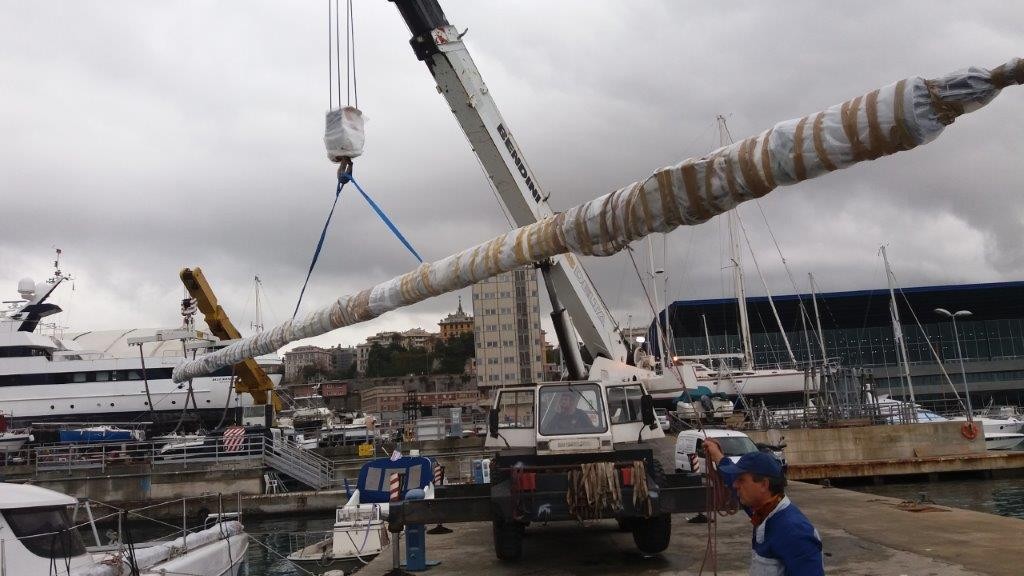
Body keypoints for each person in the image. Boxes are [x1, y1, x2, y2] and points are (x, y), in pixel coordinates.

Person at [704, 440, 824, 576]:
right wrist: (717, 456)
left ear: (763, 485)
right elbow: (732, 480)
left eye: (741, 480)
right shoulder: (763, 511)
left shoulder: (795, 533)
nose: (736, 485)